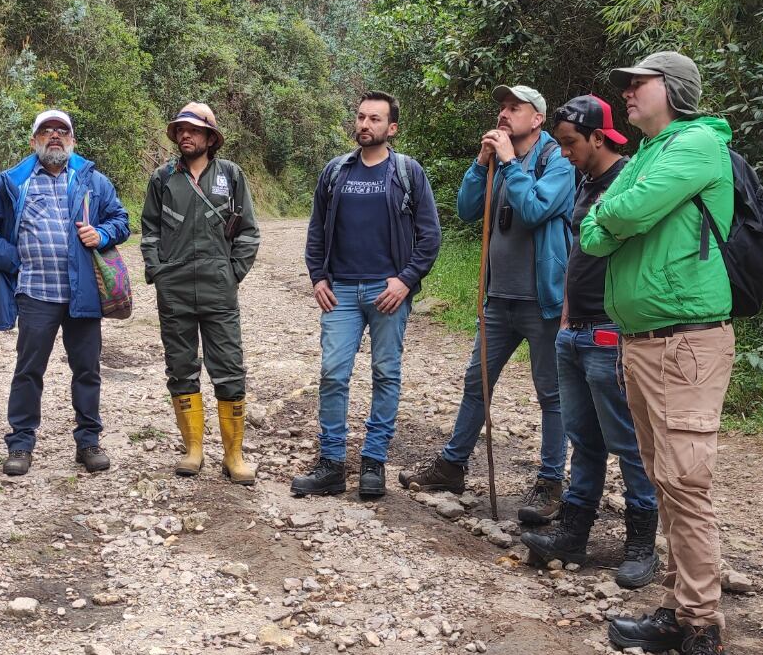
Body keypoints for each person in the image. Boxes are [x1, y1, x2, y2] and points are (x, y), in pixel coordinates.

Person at [585, 51, 737, 655]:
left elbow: (623, 212)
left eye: (636, 84)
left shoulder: (699, 142)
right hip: (641, 345)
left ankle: (704, 629)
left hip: (688, 344)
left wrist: (619, 213)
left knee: (686, 482)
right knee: (663, 477)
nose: (625, 94)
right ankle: (680, 611)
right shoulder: (646, 152)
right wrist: (618, 213)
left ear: (671, 89)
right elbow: (593, 232)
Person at [399, 85, 576, 522]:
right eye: (501, 106)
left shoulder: (559, 162)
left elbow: (535, 210)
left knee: (551, 394)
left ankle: (550, 482)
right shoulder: (497, 160)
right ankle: (452, 465)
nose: (503, 114)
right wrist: (481, 165)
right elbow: (465, 209)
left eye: (513, 108)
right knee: (476, 383)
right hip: (496, 298)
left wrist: (511, 164)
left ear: (536, 118)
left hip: (543, 300)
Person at [522, 95, 660, 589]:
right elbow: (579, 253)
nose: (564, 153)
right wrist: (564, 319)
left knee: (629, 443)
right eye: (560, 144)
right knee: (584, 439)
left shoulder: (631, 181)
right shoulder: (583, 180)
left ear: (599, 137)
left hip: (609, 331)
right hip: (574, 328)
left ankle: (642, 544)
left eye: (571, 143)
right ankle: (574, 532)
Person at [0, 109, 130, 478]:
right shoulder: (12, 182)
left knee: (86, 370)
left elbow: (121, 220)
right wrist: (10, 257)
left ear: (72, 140)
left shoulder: (92, 181)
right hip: (35, 294)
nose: (55, 135)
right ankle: (21, 443)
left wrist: (101, 235)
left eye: (62, 131)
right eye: (47, 130)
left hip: (82, 293)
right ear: (34, 140)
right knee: (28, 370)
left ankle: (88, 441)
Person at [294, 91, 441, 501]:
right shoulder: (336, 171)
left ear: (391, 128)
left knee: (385, 373)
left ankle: (374, 462)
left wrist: (406, 280)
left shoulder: (407, 173)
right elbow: (317, 230)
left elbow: (430, 237)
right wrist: (318, 277)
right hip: (339, 290)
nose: (364, 125)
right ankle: (331, 464)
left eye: (374, 119)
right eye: (360, 117)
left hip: (388, 291)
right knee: (333, 374)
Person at [140, 103, 261, 485]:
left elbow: (248, 233)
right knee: (180, 368)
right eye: (180, 130)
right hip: (173, 293)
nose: (185, 136)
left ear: (211, 137)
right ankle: (193, 450)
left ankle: (233, 455)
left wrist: (232, 273)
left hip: (218, 292)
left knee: (229, 369)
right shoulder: (162, 179)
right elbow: (148, 231)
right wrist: (158, 273)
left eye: (193, 130)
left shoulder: (231, 175)